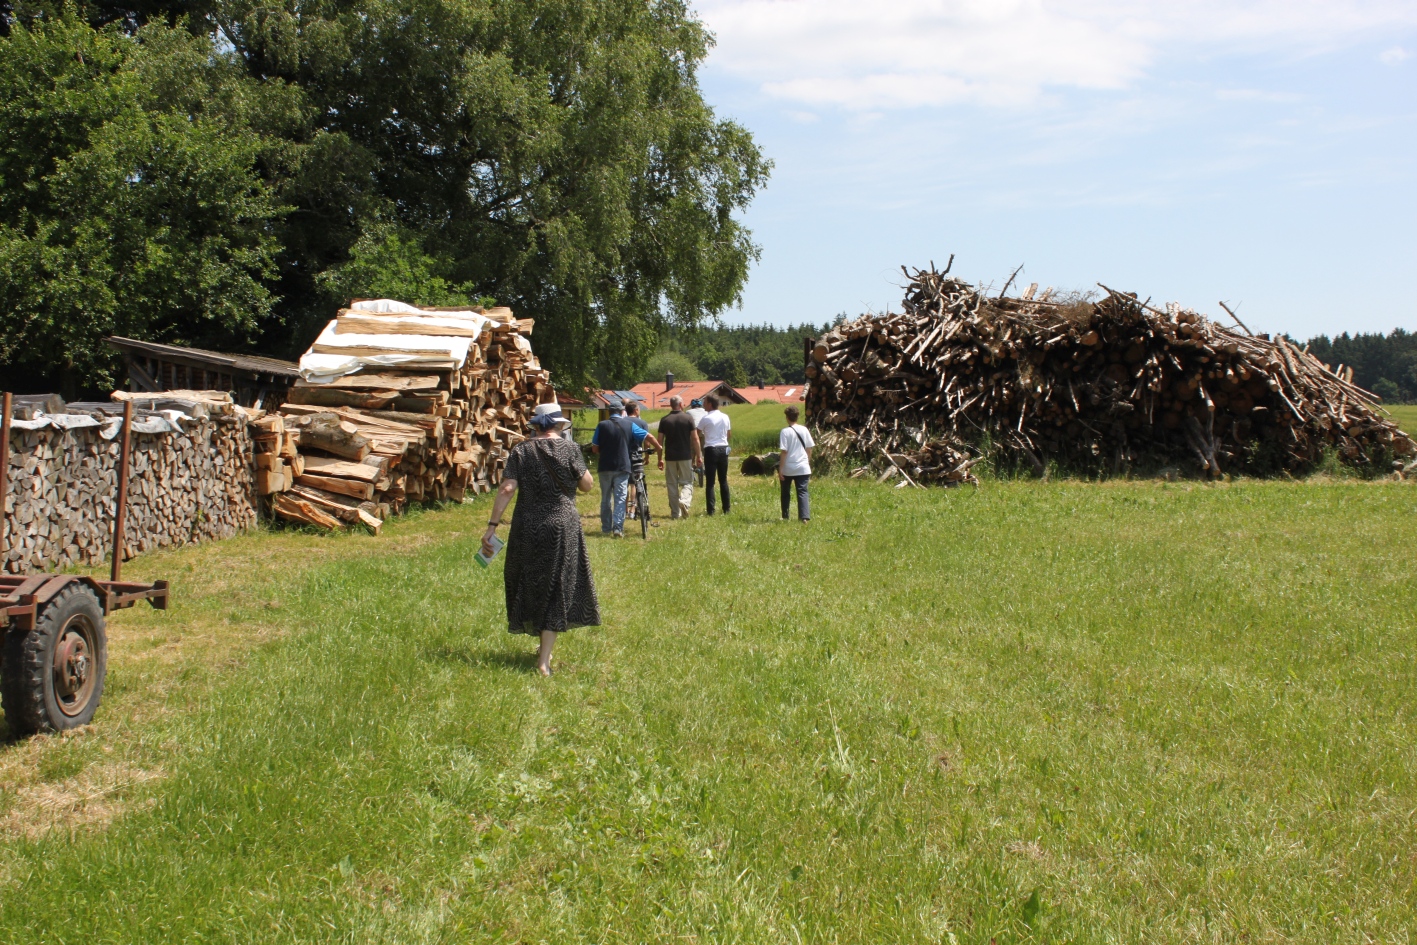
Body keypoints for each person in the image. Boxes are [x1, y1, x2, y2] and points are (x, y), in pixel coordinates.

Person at [482, 403, 597, 676]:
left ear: (535, 425)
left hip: (527, 525)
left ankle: (542, 647)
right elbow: (587, 484)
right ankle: (543, 661)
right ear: (558, 424)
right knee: (558, 584)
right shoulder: (570, 449)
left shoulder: (521, 450)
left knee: (530, 580)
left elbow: (507, 487)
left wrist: (492, 526)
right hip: (562, 524)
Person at [590, 401, 645, 537]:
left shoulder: (602, 425)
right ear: (622, 411)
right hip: (622, 466)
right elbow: (645, 436)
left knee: (606, 498)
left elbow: (595, 448)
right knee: (620, 498)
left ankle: (606, 528)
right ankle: (618, 528)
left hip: (605, 466)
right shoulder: (629, 424)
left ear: (609, 412)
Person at [657, 394, 701, 519]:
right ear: (681, 404)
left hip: (670, 456)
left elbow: (660, 441)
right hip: (685, 456)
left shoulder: (664, 420)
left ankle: (675, 513)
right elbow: (695, 438)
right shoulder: (688, 418)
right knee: (687, 481)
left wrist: (660, 458)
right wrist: (699, 455)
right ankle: (685, 501)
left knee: (672, 484)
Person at [624, 400, 663, 513]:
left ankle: (625, 508)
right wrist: (647, 456)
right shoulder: (642, 423)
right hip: (637, 454)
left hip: (624, 454)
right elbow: (647, 442)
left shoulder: (622, 421)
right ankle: (633, 508)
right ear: (636, 410)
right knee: (635, 482)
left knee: (624, 482)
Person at [777, 405, 815, 522]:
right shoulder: (804, 430)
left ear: (787, 417)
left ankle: (785, 516)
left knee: (785, 492)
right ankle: (804, 517)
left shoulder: (785, 432)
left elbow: (784, 452)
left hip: (789, 467)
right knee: (802, 492)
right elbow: (809, 449)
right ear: (797, 416)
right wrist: (806, 462)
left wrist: (781, 469)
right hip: (803, 467)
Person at [696, 394, 732, 515]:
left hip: (711, 449)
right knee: (723, 480)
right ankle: (726, 508)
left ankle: (711, 510)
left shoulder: (706, 418)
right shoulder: (725, 417)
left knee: (710, 482)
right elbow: (729, 434)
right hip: (723, 448)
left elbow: (697, 433)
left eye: (705, 402)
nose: (703, 405)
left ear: (710, 404)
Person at [687, 398, 707, 487]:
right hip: (704, 433)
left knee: (691, 453)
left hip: (694, 433)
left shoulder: (688, 412)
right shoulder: (705, 412)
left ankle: (691, 470)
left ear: (692, 406)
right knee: (703, 451)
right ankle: (704, 468)